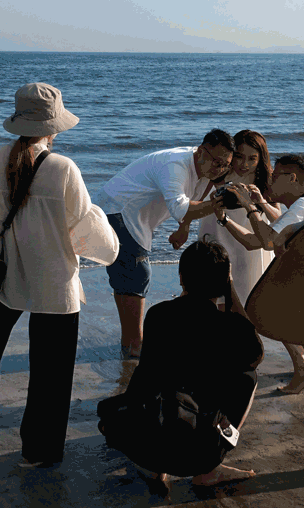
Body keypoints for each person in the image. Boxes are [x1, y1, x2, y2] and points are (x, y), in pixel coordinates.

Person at [0, 83, 119, 466]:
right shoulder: (62, 169)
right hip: (52, 281)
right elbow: (88, 232)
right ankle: (38, 452)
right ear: (53, 127)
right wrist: (107, 247)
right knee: (51, 371)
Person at [96, 240, 262, 487]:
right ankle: (211, 468)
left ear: (181, 277)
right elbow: (255, 354)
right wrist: (230, 291)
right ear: (224, 280)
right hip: (200, 455)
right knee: (248, 378)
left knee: (133, 390)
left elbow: (144, 378)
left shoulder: (157, 315)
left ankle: (153, 468)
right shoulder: (231, 327)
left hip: (149, 446)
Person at [214, 152, 304, 393]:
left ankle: (303, 367)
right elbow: (281, 225)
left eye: (275, 176)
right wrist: (259, 205)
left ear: (291, 178)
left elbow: (263, 241)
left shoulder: (303, 207)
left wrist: (239, 211)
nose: (269, 181)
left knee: (271, 306)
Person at [92, 130, 235, 358]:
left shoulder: (204, 169)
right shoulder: (175, 166)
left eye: (225, 165)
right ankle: (135, 344)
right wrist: (218, 204)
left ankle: (129, 342)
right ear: (200, 151)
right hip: (117, 210)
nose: (219, 169)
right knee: (137, 273)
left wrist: (183, 228)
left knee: (129, 276)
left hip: (131, 215)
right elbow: (183, 207)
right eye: (216, 162)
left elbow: (190, 202)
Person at [186, 129, 281, 309]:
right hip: (215, 237)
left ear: (261, 158)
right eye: (239, 156)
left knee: (246, 301)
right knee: (211, 299)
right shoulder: (217, 173)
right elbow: (193, 203)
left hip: (249, 245)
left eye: (252, 158)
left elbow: (279, 219)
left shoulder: (266, 181)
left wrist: (259, 200)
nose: (244, 164)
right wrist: (183, 228)